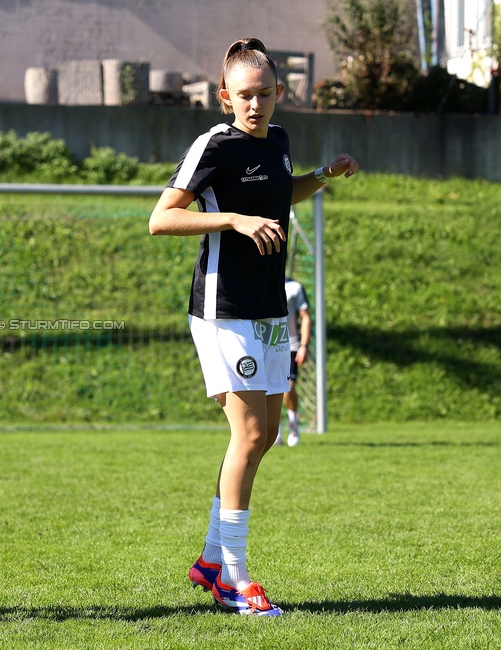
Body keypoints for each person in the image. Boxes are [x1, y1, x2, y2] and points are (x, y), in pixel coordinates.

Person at [148, 37, 358, 616]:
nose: (255, 104)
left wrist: (321, 174)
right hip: (224, 309)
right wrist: (235, 220)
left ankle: (212, 559)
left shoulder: (281, 142)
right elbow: (161, 218)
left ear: (279, 94)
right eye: (244, 95)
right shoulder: (214, 144)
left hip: (268, 310)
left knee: (263, 434)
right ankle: (235, 578)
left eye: (265, 93)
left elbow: (280, 193)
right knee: (246, 435)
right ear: (224, 97)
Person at [278, 276, 311, 447]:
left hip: (289, 347)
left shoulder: (294, 287)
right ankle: (274, 431)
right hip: (263, 346)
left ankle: (293, 424)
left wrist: (304, 345)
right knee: (267, 389)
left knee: (288, 387)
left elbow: (305, 316)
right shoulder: (257, 280)